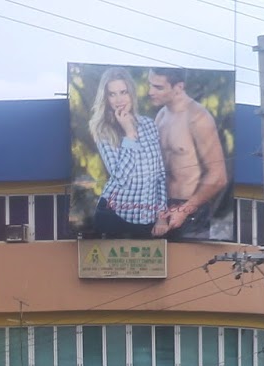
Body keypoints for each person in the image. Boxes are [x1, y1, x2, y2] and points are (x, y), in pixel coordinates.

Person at [148, 68, 228, 239]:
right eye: (150, 85)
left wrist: (185, 210)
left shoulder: (198, 118)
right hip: (162, 209)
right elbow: (156, 170)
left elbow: (218, 176)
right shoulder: (161, 116)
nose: (150, 92)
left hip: (191, 211)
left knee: (190, 264)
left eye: (158, 87)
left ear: (178, 87)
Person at [88, 67, 166, 237]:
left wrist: (161, 217)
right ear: (106, 98)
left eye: (123, 92)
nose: (119, 99)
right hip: (114, 215)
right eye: (112, 94)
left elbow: (159, 175)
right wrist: (129, 133)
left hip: (148, 219)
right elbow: (121, 178)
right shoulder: (102, 130)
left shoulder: (149, 125)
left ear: (131, 93)